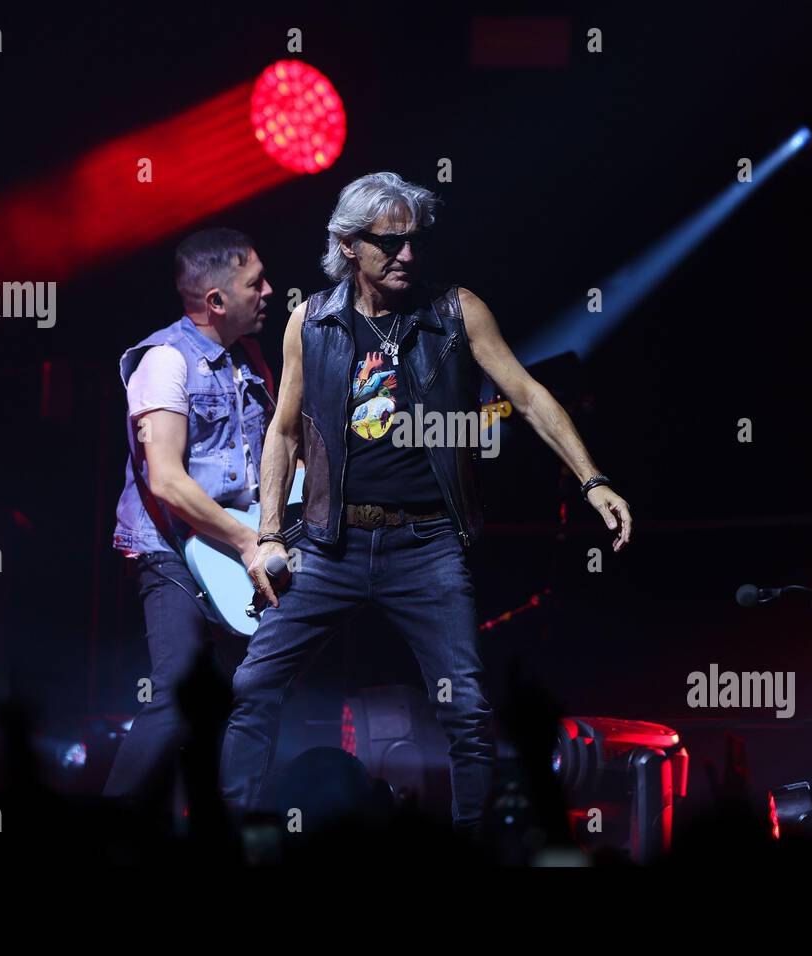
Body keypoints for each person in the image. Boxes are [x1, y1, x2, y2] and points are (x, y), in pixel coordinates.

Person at [222, 172, 632, 835]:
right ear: (349, 245)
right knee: (250, 687)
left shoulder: (455, 311)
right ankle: (236, 838)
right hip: (330, 544)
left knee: (467, 713)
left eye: (415, 240)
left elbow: (526, 395)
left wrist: (593, 479)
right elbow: (283, 430)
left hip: (428, 545)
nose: (408, 255)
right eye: (390, 242)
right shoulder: (312, 320)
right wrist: (270, 534)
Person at [104, 227, 276, 806]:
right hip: (169, 548)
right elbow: (168, 482)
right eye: (256, 283)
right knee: (178, 691)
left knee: (240, 699)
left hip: (231, 550)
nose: (270, 291)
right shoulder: (164, 361)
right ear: (216, 301)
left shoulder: (249, 359)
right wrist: (249, 542)